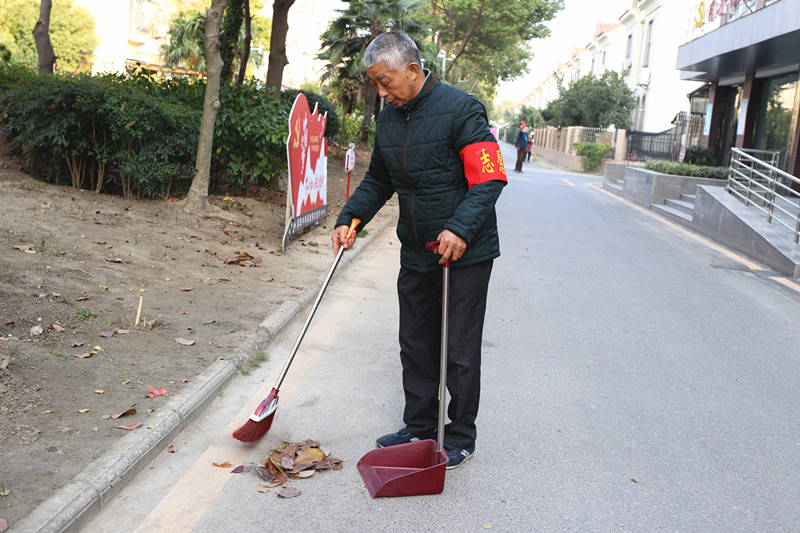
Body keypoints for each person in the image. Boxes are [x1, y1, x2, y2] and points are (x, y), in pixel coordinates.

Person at [331, 32, 507, 470]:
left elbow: (490, 178)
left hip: (463, 253)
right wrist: (350, 217)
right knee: (415, 342)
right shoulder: (389, 118)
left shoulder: (462, 109)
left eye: (385, 81)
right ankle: (419, 426)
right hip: (416, 249)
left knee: (458, 349)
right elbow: (378, 179)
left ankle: (460, 436)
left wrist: (459, 229)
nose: (380, 91)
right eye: (374, 82)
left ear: (412, 70)